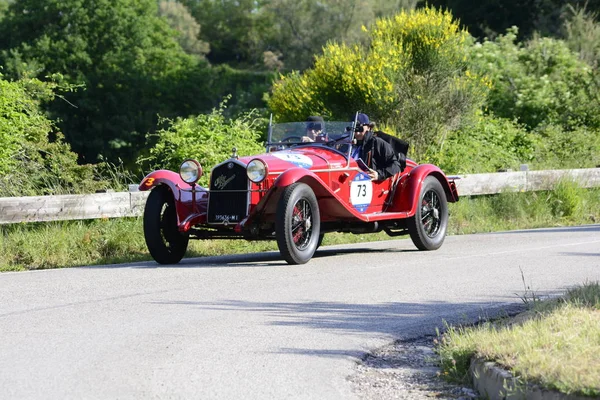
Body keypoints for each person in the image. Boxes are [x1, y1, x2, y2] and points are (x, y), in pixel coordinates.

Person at [350, 113, 401, 181]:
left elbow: (396, 165)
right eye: (355, 129)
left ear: (369, 127)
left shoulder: (377, 143)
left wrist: (379, 174)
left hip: (369, 183)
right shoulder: (348, 142)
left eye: (360, 129)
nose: (357, 133)